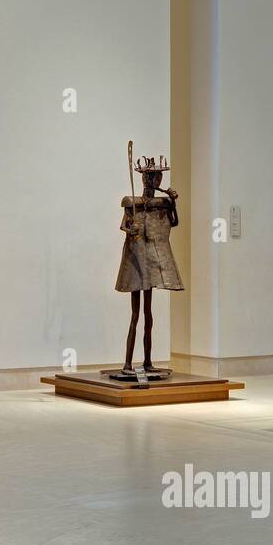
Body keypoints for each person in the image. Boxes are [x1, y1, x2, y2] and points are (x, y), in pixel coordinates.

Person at [113, 154, 182, 380]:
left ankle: (148, 361)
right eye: (153, 177)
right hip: (136, 260)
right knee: (135, 315)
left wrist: (173, 202)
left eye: (159, 177)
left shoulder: (161, 204)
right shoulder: (132, 203)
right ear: (145, 180)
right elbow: (124, 225)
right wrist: (130, 230)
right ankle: (127, 362)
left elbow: (174, 221)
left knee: (148, 314)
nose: (156, 181)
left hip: (151, 260)